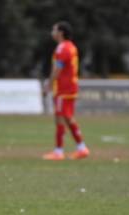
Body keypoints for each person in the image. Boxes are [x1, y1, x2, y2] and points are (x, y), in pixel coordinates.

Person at [42, 21, 89, 161]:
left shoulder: (62, 48)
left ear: (61, 33)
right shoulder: (71, 47)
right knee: (67, 118)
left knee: (60, 119)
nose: (52, 32)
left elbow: (58, 69)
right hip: (69, 87)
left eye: (54, 30)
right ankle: (81, 148)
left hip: (64, 88)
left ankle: (59, 151)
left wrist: (48, 85)